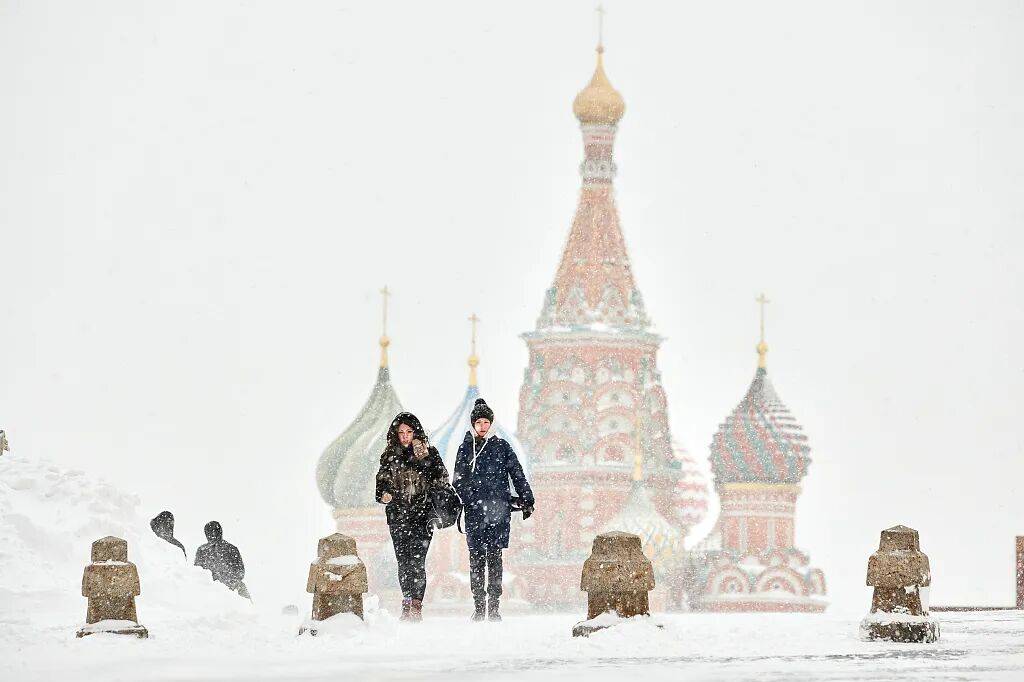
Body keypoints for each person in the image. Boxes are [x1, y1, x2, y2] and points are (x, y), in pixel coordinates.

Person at [453, 398, 534, 622]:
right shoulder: (466, 448)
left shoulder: (502, 447)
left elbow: (516, 473)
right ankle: (479, 606)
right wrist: (473, 498)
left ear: (491, 423)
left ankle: (494, 607)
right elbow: (458, 481)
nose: (482, 426)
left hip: (498, 512)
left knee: (495, 558)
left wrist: (527, 497)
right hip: (475, 513)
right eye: (478, 422)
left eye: (486, 422)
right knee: (477, 559)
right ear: (473, 424)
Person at [375, 411, 450, 621]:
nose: (406, 436)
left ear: (416, 432)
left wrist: (424, 459)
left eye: (409, 431)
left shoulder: (429, 453)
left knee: (417, 562)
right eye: (401, 432)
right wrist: (385, 494)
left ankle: (417, 605)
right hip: (398, 517)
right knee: (403, 562)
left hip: (422, 517)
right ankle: (406, 601)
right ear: (396, 434)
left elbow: (442, 479)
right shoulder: (390, 455)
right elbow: (381, 481)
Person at [194, 520, 250, 599]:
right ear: (220, 532)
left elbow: (197, 572)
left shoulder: (202, 550)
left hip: (211, 588)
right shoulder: (231, 548)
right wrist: (230, 580)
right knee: (243, 594)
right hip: (227, 587)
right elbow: (241, 572)